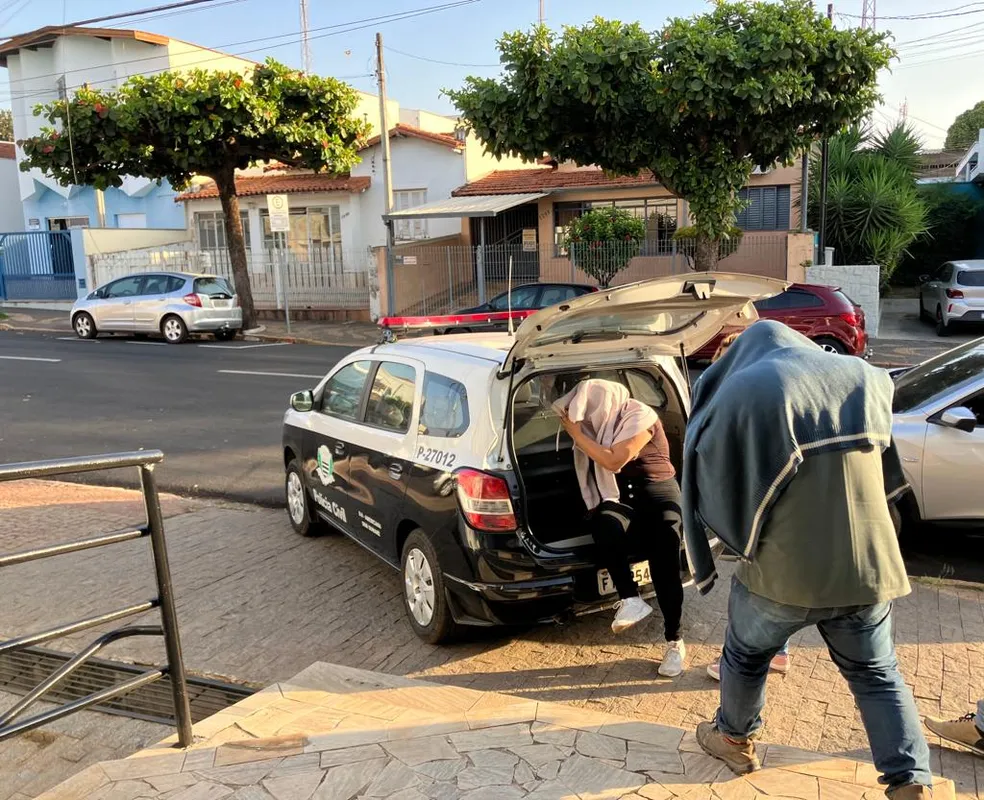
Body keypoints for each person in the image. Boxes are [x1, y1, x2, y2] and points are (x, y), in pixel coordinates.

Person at [681, 321, 932, 799]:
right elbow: (886, 469)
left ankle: (734, 739)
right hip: (869, 568)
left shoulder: (749, 389)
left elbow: (711, 473)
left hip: (782, 575)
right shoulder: (860, 374)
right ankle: (909, 780)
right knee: (877, 674)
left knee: (746, 654)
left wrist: (731, 531)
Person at [555, 378, 687, 678]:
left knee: (664, 567)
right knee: (604, 525)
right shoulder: (604, 425)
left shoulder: (640, 415)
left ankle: (675, 642)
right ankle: (630, 599)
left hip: (658, 493)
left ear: (608, 403)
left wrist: (576, 434)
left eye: (592, 411)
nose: (589, 420)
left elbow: (615, 460)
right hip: (623, 495)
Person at [705, 330, 792, 682]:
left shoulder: (737, 393)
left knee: (751, 589)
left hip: (756, 508)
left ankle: (739, 664)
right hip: (768, 507)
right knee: (769, 585)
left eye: (731, 350)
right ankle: (778, 653)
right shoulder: (764, 387)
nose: (725, 356)